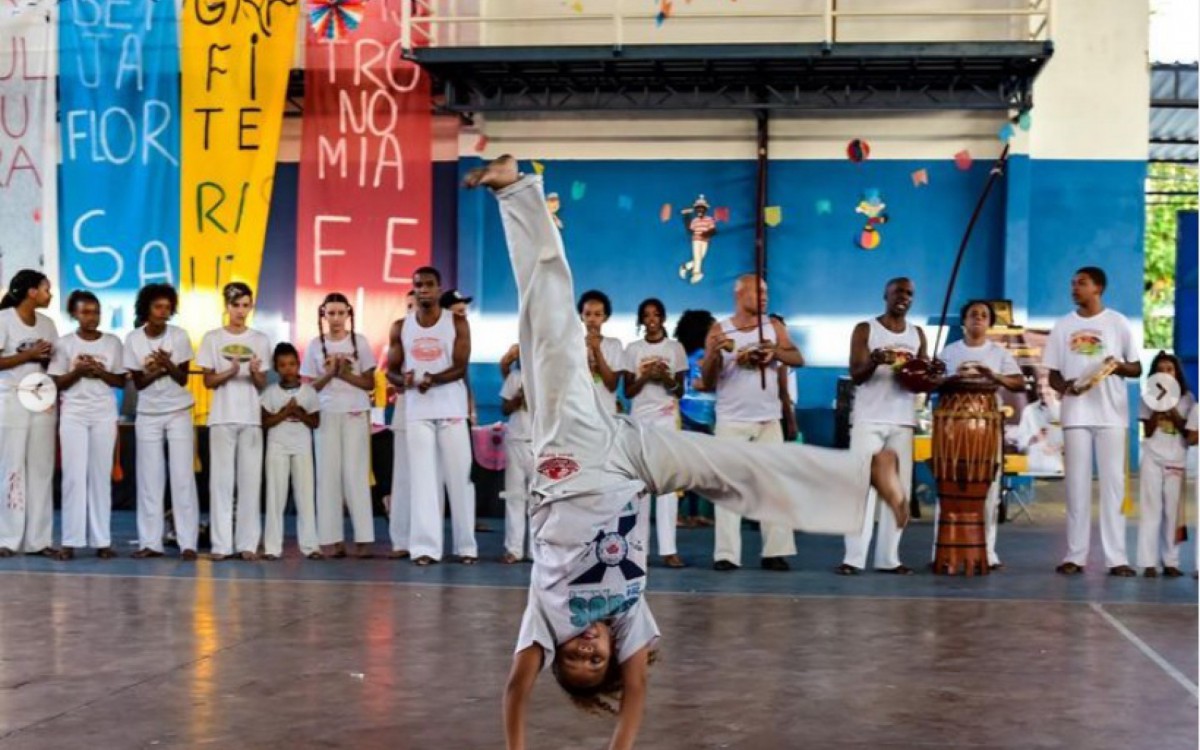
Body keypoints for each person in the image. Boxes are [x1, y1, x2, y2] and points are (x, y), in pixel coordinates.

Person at [463, 157, 906, 750]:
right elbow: (636, 692)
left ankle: (517, 189)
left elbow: (516, 688)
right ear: (613, 656)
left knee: (549, 331)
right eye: (596, 661)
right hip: (634, 468)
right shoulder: (628, 622)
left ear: (554, 651)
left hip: (571, 456)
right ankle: (863, 473)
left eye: (573, 657)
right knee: (733, 468)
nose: (586, 649)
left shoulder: (546, 618)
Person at [700, 275, 806, 572]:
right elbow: (708, 381)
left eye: (766, 292)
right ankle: (726, 554)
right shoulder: (720, 330)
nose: (764, 296)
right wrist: (714, 354)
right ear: (739, 294)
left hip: (768, 419)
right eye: (758, 291)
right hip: (731, 420)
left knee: (774, 487)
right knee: (728, 488)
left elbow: (798, 358)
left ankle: (775, 552)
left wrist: (775, 352)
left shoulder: (774, 327)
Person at [1044, 266, 1141, 576]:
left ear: (1098, 288)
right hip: (1076, 415)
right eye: (1073, 284)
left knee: (1113, 487)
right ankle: (1075, 555)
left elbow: (1137, 368)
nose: (1075, 288)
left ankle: (1117, 558)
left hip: (1112, 415)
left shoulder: (1118, 322)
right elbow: (1053, 375)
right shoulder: (1063, 326)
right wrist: (1067, 387)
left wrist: (1115, 366)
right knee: (1076, 486)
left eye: (1081, 283)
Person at [838, 277, 929, 576]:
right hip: (869, 418)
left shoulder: (917, 334)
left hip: (903, 419)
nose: (904, 297)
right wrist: (875, 360)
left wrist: (920, 374)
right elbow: (856, 375)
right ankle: (853, 558)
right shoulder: (866, 329)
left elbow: (923, 380)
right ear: (885, 295)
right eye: (898, 291)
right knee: (861, 487)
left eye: (909, 293)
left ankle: (889, 558)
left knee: (898, 490)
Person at [932, 300, 1025, 570]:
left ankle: (988, 551)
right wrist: (950, 380)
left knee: (989, 490)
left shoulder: (998, 352)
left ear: (990, 323)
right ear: (964, 321)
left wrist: (993, 375)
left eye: (984, 315)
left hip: (986, 426)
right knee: (947, 489)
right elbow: (933, 381)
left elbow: (1019, 383)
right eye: (973, 314)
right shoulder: (950, 351)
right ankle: (941, 549)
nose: (978, 318)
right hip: (953, 428)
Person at [398, 267, 476, 565]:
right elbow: (392, 370)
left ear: (439, 288)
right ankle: (425, 548)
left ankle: (466, 547)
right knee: (423, 481)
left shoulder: (456, 323)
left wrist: (434, 379)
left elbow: (460, 366)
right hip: (418, 412)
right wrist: (403, 379)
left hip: (451, 409)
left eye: (429, 284)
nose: (424, 290)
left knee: (460, 479)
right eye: (418, 285)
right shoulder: (401, 326)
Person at [124, 283, 200, 560]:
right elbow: (139, 383)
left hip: (178, 411)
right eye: (158, 307)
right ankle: (150, 542)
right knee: (149, 479)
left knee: (182, 477)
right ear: (146, 308)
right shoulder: (133, 339)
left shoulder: (179, 336)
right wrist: (159, 369)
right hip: (148, 413)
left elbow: (182, 378)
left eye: (168, 307)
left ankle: (187, 543)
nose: (164, 312)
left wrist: (166, 364)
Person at [49, 291, 126, 560]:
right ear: (74, 314)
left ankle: (102, 540)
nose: (92, 317)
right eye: (86, 312)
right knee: (73, 477)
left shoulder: (113, 342)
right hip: (74, 414)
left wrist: (99, 372)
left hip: (103, 413)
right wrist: (78, 372)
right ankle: (70, 541)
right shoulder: (64, 344)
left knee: (100, 476)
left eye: (96, 312)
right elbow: (56, 383)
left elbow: (120, 381)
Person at [301, 293, 377, 558]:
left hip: (355, 411)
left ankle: (364, 538)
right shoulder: (314, 345)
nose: (335, 318)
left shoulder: (360, 342)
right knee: (327, 476)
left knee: (355, 474)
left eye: (340, 313)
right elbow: (309, 388)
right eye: (331, 313)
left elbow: (369, 383)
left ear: (348, 314)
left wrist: (344, 374)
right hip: (326, 413)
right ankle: (331, 539)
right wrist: (329, 374)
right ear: (324, 315)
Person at [198, 282, 271, 561]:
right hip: (222, 417)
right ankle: (220, 545)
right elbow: (208, 381)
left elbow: (262, 383)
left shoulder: (260, 339)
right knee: (221, 483)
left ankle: (247, 544)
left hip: (251, 418)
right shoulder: (212, 338)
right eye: (236, 305)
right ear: (227, 306)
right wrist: (230, 371)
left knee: (250, 483)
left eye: (245, 305)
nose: (241, 311)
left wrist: (254, 372)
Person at [623, 298, 689, 568]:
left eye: (656, 315)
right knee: (640, 487)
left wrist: (665, 378)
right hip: (639, 422)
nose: (651, 320)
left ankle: (669, 549)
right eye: (647, 316)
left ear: (663, 318)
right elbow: (628, 391)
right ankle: (638, 549)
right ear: (641, 320)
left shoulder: (675, 348)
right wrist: (645, 376)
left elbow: (680, 391)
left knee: (667, 487)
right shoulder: (633, 349)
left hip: (666, 422)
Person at [0, 270, 58, 557]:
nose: (50, 294)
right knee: (12, 469)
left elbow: (53, 363)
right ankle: (8, 538)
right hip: (11, 398)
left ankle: (39, 540)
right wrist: (28, 355)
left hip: (41, 399)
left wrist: (44, 359)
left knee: (41, 469)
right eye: (46, 289)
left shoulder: (47, 324)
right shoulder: (4, 319)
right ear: (31, 292)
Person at [261, 343, 321, 560]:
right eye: (283, 365)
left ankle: (310, 546)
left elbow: (315, 422)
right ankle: (272, 547)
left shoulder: (309, 392)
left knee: (305, 496)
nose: (288, 369)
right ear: (276, 368)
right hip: (277, 446)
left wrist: (299, 412)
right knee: (275, 497)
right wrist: (286, 412)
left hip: (302, 447)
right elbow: (265, 422)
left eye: (292, 364)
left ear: (298, 365)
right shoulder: (270, 392)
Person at [1137, 351, 1193, 578]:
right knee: (1151, 509)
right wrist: (1157, 405)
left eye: (1169, 369)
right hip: (1152, 457)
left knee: (1172, 512)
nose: (1165, 373)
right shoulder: (1147, 397)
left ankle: (1170, 561)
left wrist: (1172, 407)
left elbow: (1188, 432)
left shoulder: (1187, 399)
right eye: (1160, 370)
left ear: (1176, 373)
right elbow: (1148, 430)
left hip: (1176, 458)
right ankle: (1148, 562)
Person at [673, 309, 717, 527]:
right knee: (694, 468)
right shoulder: (700, 355)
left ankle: (690, 513)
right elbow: (702, 384)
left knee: (690, 467)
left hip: (692, 415)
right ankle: (686, 513)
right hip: (696, 417)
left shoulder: (687, 354)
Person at [386, 290, 418, 559]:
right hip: (405, 411)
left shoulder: (439, 331)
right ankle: (400, 540)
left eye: (415, 305)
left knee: (428, 481)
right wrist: (402, 381)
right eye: (408, 305)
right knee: (403, 479)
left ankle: (425, 540)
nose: (411, 310)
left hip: (434, 411)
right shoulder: (400, 333)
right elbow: (391, 373)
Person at [500, 344, 533, 564]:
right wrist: (517, 400)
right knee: (514, 496)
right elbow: (504, 408)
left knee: (538, 500)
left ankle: (536, 550)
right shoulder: (515, 377)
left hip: (540, 443)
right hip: (515, 440)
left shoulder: (548, 377)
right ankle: (514, 548)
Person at [578, 289, 624, 415]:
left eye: (597, 314)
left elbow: (612, 385)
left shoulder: (614, 345)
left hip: (607, 414)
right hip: (581, 413)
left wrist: (597, 350)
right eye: (587, 314)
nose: (592, 319)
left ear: (605, 317)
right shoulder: (574, 346)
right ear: (581, 316)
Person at [1012, 368, 1065, 474]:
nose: (1042, 391)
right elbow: (1020, 443)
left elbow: (1073, 441)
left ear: (1055, 389)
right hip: (1034, 470)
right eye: (1039, 387)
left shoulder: (1064, 410)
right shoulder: (1029, 410)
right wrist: (1035, 438)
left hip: (1058, 470)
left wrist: (1057, 448)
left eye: (1047, 386)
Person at [678, 195, 716, 285]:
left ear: (705, 210)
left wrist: (707, 233)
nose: (700, 210)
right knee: (697, 256)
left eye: (702, 209)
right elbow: (690, 230)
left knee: (700, 257)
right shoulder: (695, 220)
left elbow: (713, 229)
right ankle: (696, 273)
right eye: (698, 209)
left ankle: (686, 266)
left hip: (705, 240)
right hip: (696, 239)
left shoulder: (709, 219)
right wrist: (686, 218)